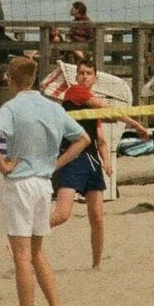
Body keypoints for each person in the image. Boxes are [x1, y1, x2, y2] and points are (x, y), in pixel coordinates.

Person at [0, 54, 90, 306]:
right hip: (44, 184)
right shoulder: (52, 107)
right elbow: (83, 139)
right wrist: (56, 164)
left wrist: (4, 166)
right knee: (37, 253)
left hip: (19, 184)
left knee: (21, 257)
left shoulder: (11, 107)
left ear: (10, 79)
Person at [49, 60, 112, 268]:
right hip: (71, 158)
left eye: (88, 73)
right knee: (62, 214)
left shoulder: (91, 107)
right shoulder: (75, 92)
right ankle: (20, 238)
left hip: (91, 160)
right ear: (76, 77)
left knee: (97, 218)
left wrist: (107, 162)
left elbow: (101, 139)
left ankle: (96, 265)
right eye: (81, 73)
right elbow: (105, 107)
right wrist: (137, 123)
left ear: (95, 77)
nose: (84, 76)